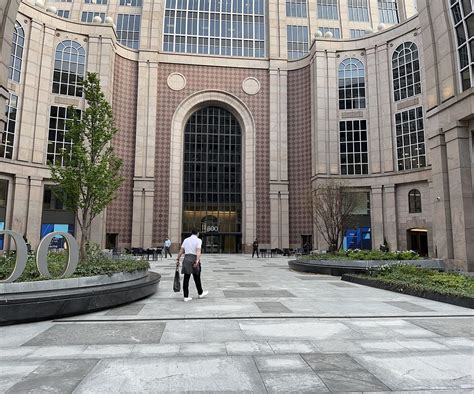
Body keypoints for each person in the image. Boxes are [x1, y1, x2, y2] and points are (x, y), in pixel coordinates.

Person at [176, 229, 208, 302]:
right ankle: (200, 293)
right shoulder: (198, 240)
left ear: (191, 233)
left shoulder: (186, 240)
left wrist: (178, 258)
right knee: (197, 277)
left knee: (186, 278)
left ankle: (186, 297)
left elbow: (181, 250)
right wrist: (197, 260)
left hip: (186, 259)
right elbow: (198, 251)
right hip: (194, 258)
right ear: (197, 233)